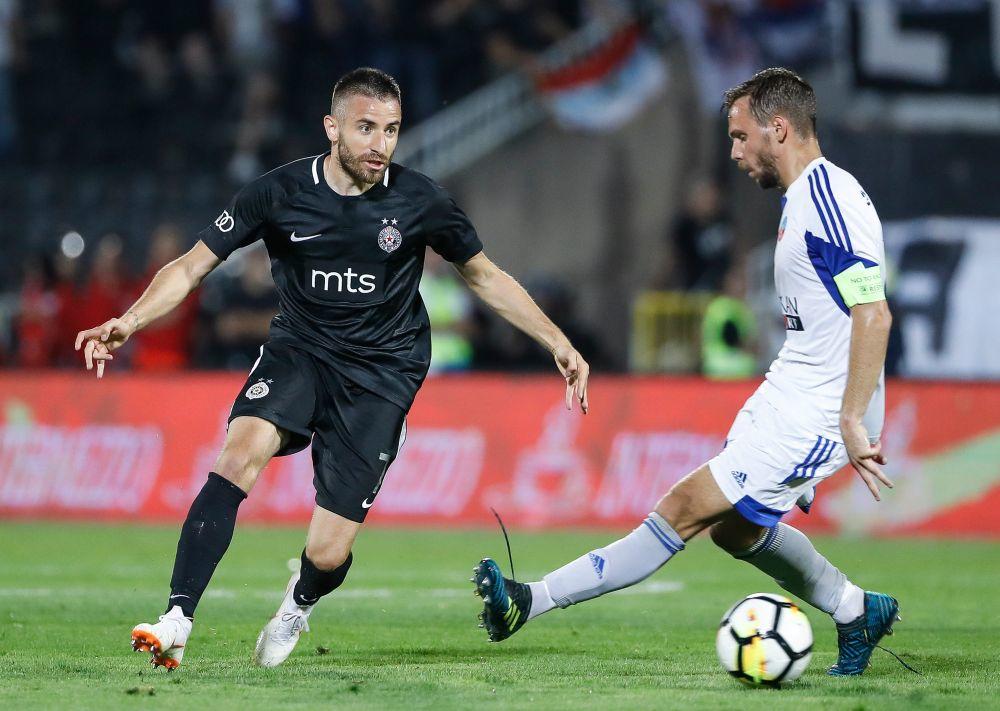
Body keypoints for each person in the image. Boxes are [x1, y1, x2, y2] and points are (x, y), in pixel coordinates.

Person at [74, 67, 590, 670]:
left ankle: (299, 602)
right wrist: (130, 321)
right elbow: (191, 266)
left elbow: (485, 276)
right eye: (366, 127)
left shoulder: (420, 201)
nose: (381, 144)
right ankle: (177, 619)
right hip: (300, 352)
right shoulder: (279, 193)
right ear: (332, 128)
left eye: (391, 130)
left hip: (382, 374)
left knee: (326, 552)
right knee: (237, 457)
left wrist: (557, 341)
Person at [474, 68, 897, 677]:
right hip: (790, 389)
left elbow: (873, 313)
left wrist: (851, 419)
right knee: (734, 532)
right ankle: (857, 609)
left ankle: (528, 600)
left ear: (779, 129)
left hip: (824, 405)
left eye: (741, 136)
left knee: (682, 507)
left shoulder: (829, 202)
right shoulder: (804, 198)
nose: (735, 152)